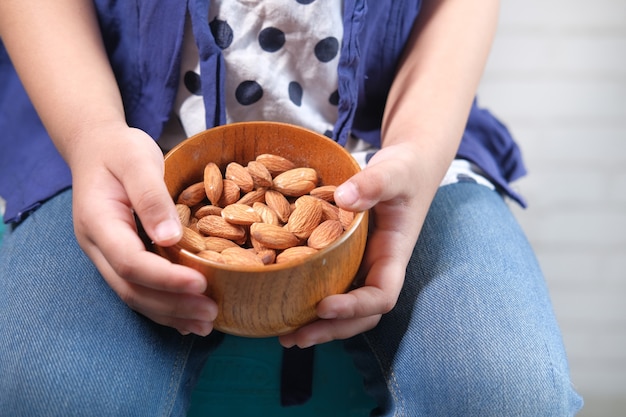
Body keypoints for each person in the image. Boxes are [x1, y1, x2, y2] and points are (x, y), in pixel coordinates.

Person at [0, 1, 583, 416]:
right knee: (44, 389)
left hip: (392, 141)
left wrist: (420, 150)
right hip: (123, 133)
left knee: (510, 390)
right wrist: (90, 133)